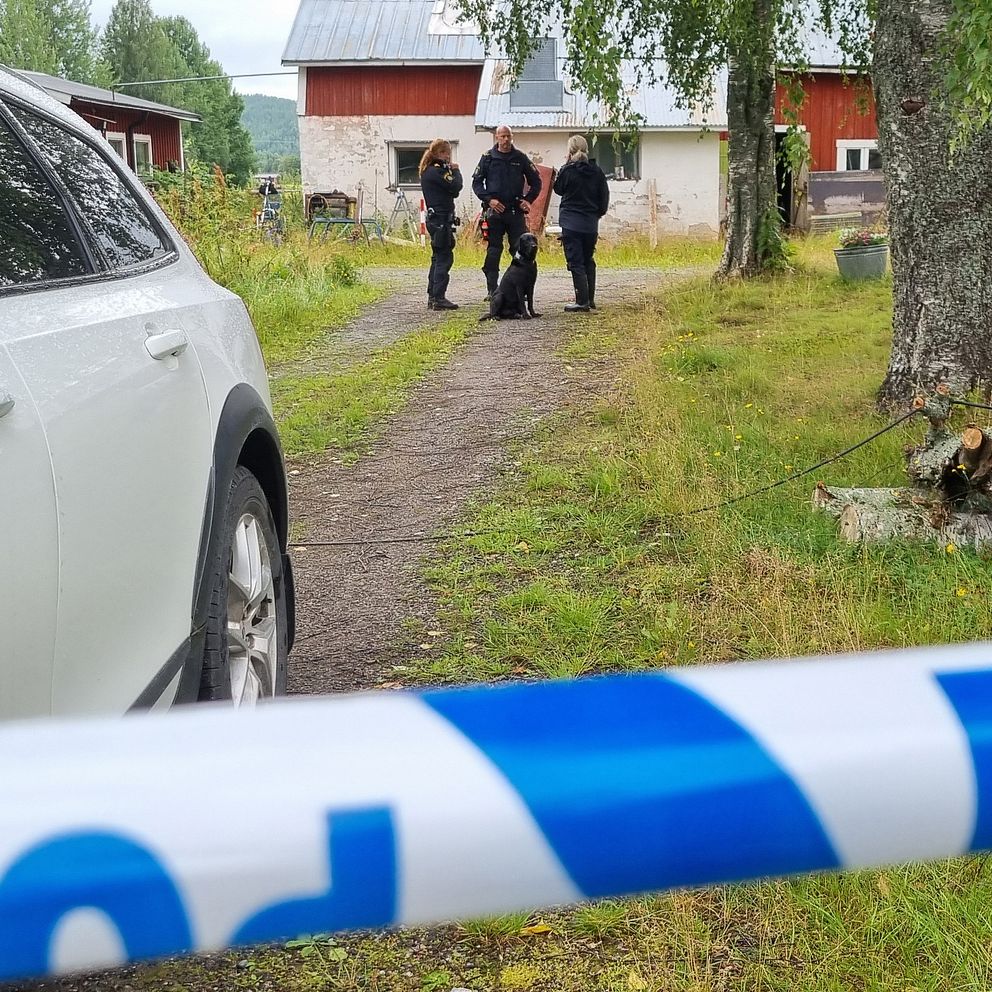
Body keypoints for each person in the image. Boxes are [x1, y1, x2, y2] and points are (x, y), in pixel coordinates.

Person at [472, 124, 542, 300]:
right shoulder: (487, 158)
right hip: (495, 212)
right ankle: (492, 290)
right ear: (497, 137)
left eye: (508, 136)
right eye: (502, 136)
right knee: (494, 251)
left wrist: (528, 200)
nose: (505, 140)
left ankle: (520, 289)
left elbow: (536, 181)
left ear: (512, 137)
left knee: (520, 250)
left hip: (515, 211)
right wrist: (489, 200)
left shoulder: (520, 158)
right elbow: (477, 183)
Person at [553, 135, 609, 312]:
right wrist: (596, 215)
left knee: (575, 262)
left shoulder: (568, 171)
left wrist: (565, 165)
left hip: (571, 223)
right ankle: (590, 300)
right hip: (590, 224)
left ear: (569, 152)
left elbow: (558, 189)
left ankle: (581, 301)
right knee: (588, 260)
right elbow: (604, 198)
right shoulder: (597, 171)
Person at [419, 139, 463, 311]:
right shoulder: (436, 172)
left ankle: (433, 295)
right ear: (439, 153)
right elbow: (456, 186)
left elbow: (452, 190)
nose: (448, 157)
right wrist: (456, 171)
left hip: (436, 219)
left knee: (437, 256)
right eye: (446, 153)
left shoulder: (428, 171)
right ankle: (438, 297)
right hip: (441, 220)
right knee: (444, 257)